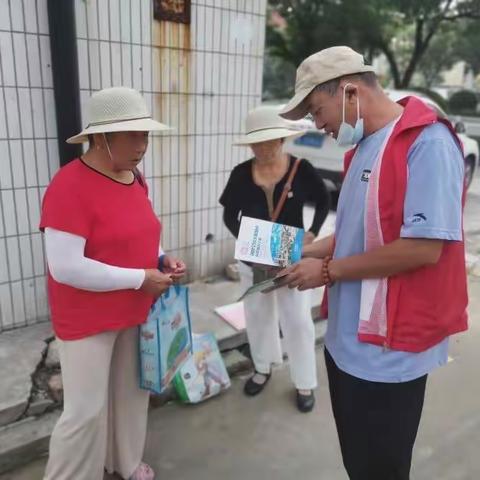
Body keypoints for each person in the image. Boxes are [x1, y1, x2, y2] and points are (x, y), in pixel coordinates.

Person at [280, 46, 468, 479]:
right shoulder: (363, 147)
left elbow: (423, 248)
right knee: (358, 462)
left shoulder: (428, 143)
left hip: (390, 353)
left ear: (349, 92)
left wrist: (326, 272)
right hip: (347, 343)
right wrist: (303, 251)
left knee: (381, 467)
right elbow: (354, 236)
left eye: (316, 109)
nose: (317, 124)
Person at [40, 87, 186, 480]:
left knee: (131, 395)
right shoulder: (68, 186)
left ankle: (123, 462)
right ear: (102, 137)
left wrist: (161, 257)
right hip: (87, 318)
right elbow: (65, 266)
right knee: (85, 412)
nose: (143, 145)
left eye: (146, 135)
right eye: (133, 135)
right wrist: (140, 278)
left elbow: (143, 230)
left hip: (134, 310)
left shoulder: (134, 177)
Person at [219, 105, 330, 412]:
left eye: (271, 141)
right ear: (251, 144)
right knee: (258, 314)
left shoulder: (301, 169)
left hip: (290, 254)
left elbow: (324, 200)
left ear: (282, 140)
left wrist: (313, 232)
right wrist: (250, 242)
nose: (265, 148)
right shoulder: (241, 173)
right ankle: (263, 367)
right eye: (259, 142)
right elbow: (230, 214)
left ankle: (305, 381)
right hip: (255, 259)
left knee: (297, 320)